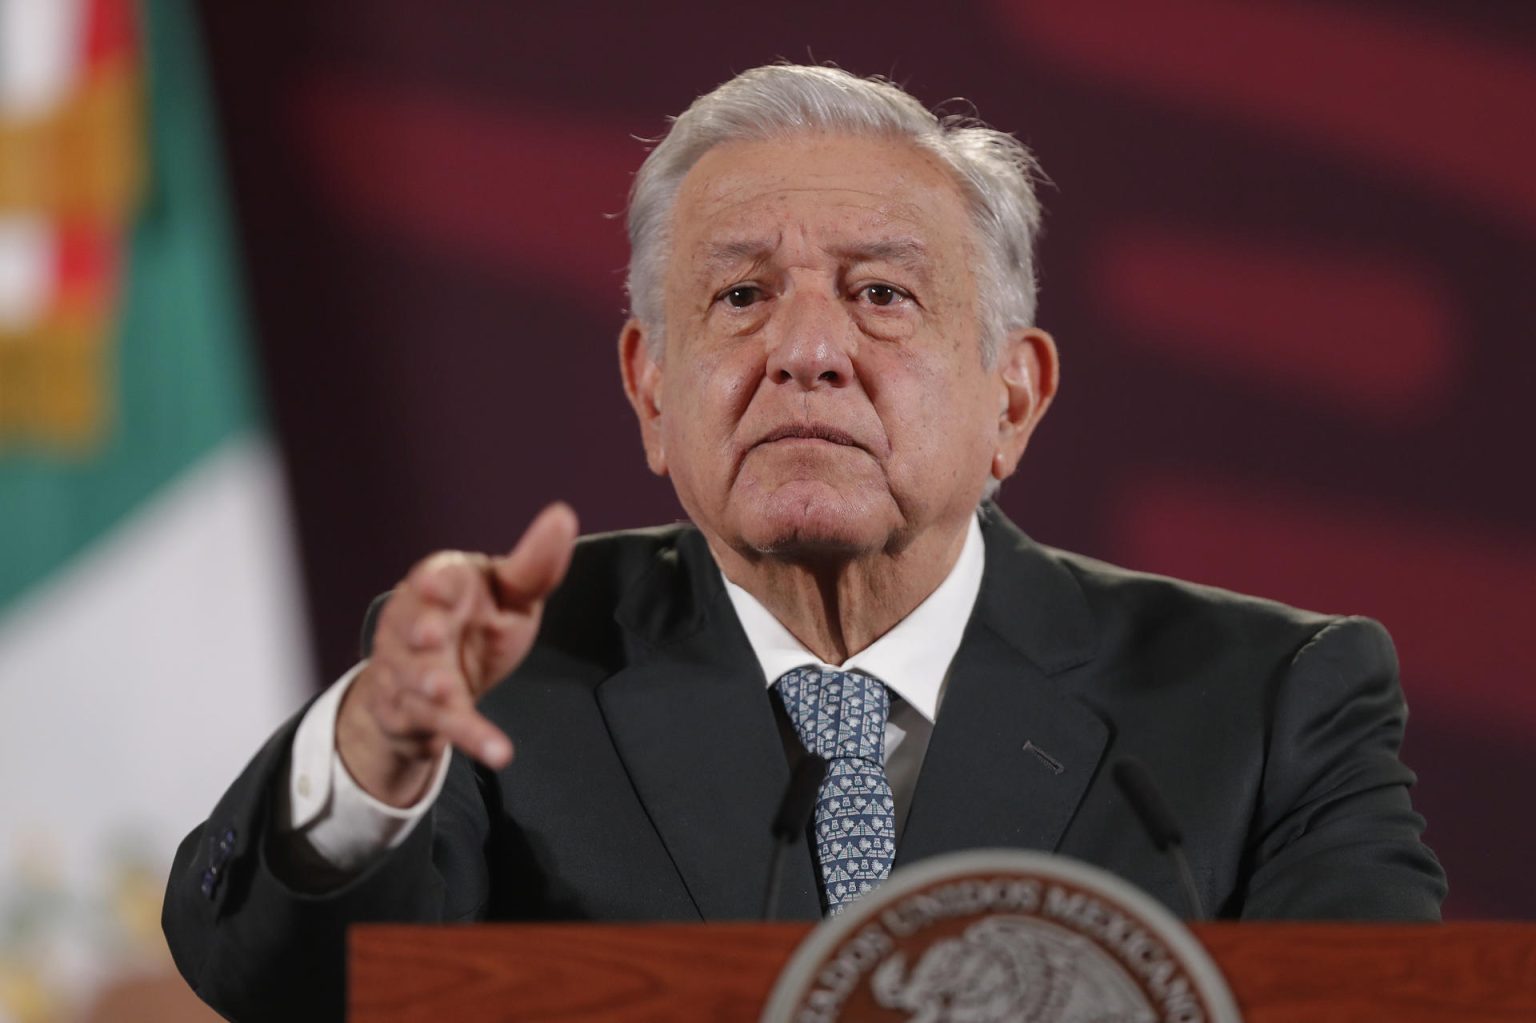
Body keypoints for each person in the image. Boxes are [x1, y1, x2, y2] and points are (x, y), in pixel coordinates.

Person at [163, 64, 1446, 1020]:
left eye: (882, 294)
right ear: (651, 388)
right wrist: (375, 760)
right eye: (740, 297)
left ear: (1014, 396)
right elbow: (273, 983)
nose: (807, 350)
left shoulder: (1263, 703)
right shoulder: (506, 687)